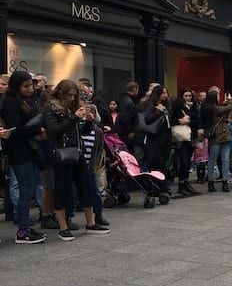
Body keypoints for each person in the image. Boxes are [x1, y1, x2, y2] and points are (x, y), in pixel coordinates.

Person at [44, 79, 111, 241]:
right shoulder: (50, 109)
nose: (73, 99)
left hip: (78, 151)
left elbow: (82, 131)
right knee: (63, 189)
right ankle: (63, 227)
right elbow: (53, 130)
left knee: (85, 187)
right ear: (61, 93)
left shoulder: (75, 106)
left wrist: (88, 122)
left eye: (75, 95)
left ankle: (90, 223)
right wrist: (74, 118)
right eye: (70, 95)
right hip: (61, 152)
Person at [0, 71, 47, 243]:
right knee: (26, 190)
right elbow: (15, 129)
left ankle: (25, 226)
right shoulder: (12, 102)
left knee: (28, 189)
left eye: (31, 85)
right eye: (25, 86)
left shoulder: (23, 100)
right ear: (16, 86)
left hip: (28, 150)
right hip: (19, 151)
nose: (30, 89)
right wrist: (38, 131)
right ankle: (23, 230)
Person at [201, 87, 232, 192]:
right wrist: (230, 100)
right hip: (219, 135)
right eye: (217, 95)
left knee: (215, 160)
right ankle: (223, 182)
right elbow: (230, 106)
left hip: (221, 136)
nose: (218, 97)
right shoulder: (213, 109)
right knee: (221, 160)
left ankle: (212, 183)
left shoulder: (208, 107)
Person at [170, 88, 199, 196]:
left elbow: (197, 121)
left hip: (191, 136)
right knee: (183, 162)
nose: (188, 98)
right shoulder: (177, 107)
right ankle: (181, 185)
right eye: (186, 96)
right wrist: (180, 121)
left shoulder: (194, 107)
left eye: (189, 96)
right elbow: (171, 119)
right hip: (181, 138)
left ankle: (186, 183)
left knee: (187, 162)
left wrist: (189, 121)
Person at [115, 81, 139, 149]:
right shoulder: (129, 101)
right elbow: (125, 117)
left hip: (123, 131)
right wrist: (130, 131)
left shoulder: (124, 99)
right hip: (125, 133)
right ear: (134, 89)